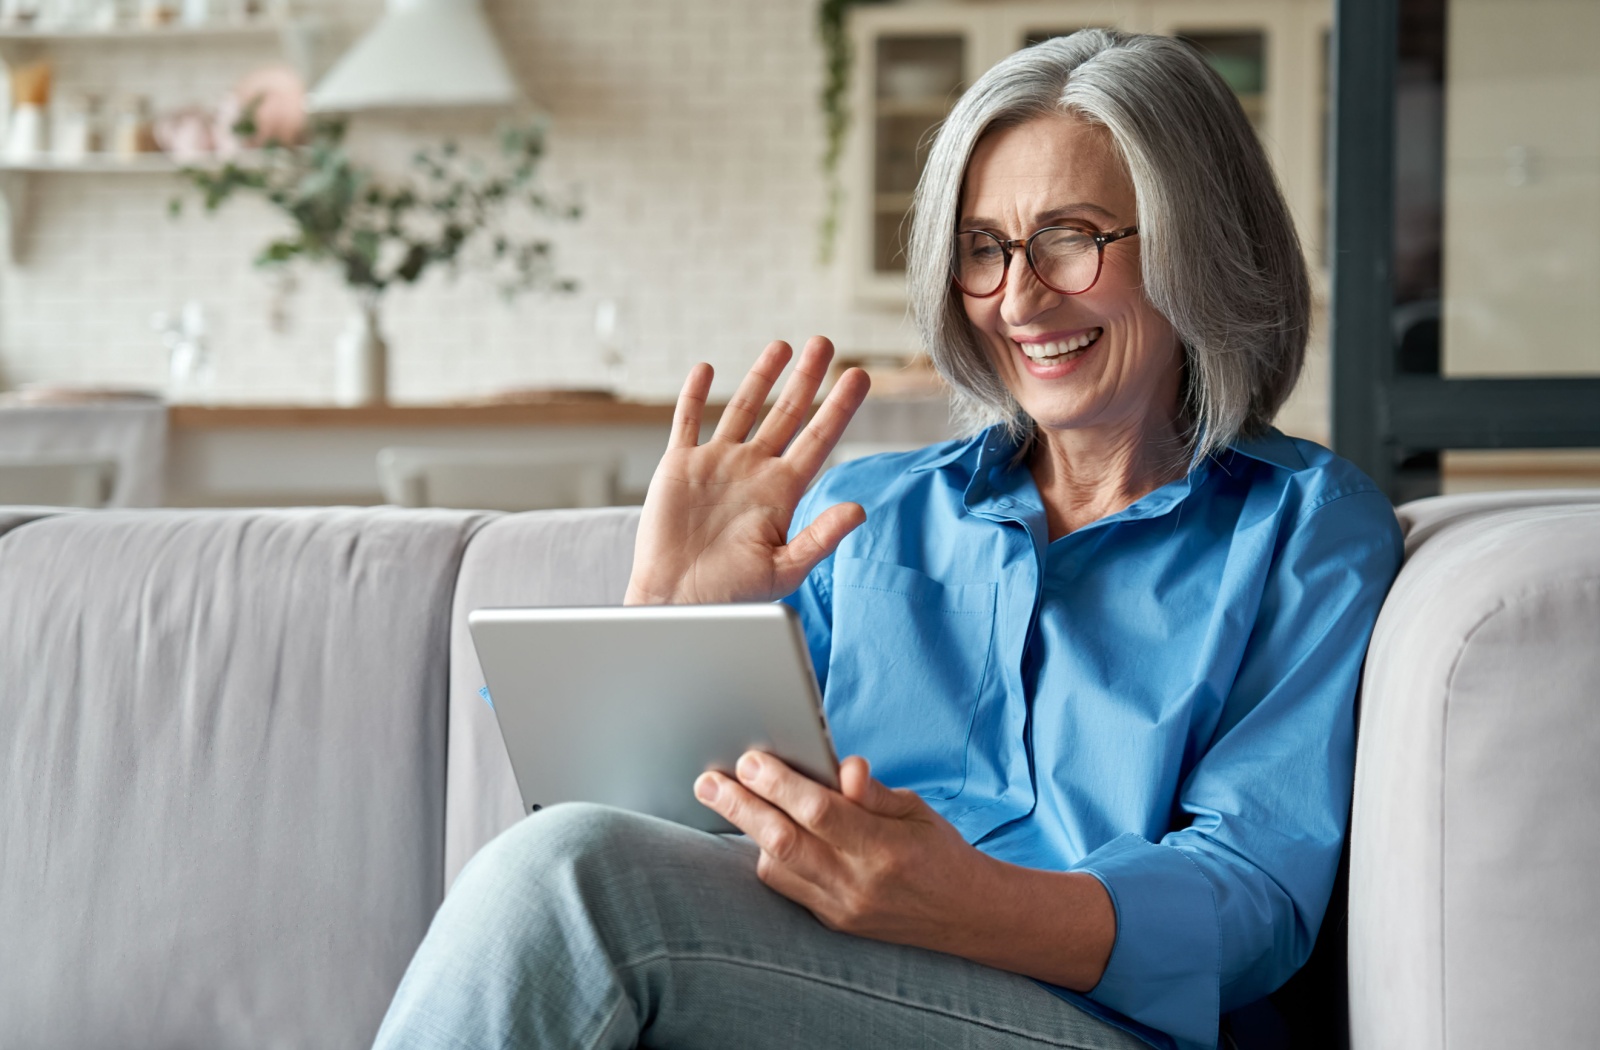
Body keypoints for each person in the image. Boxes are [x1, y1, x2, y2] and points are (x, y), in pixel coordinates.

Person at [373, 29, 1402, 1050]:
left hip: (1099, 1022)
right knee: (564, 865)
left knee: (567, 879)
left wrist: (968, 902)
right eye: (983, 251)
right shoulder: (866, 514)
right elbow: (665, 842)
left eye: (1071, 237)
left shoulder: (1303, 527)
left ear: (1199, 239)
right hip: (824, 985)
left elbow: (1256, 898)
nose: (1020, 297)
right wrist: (669, 610)